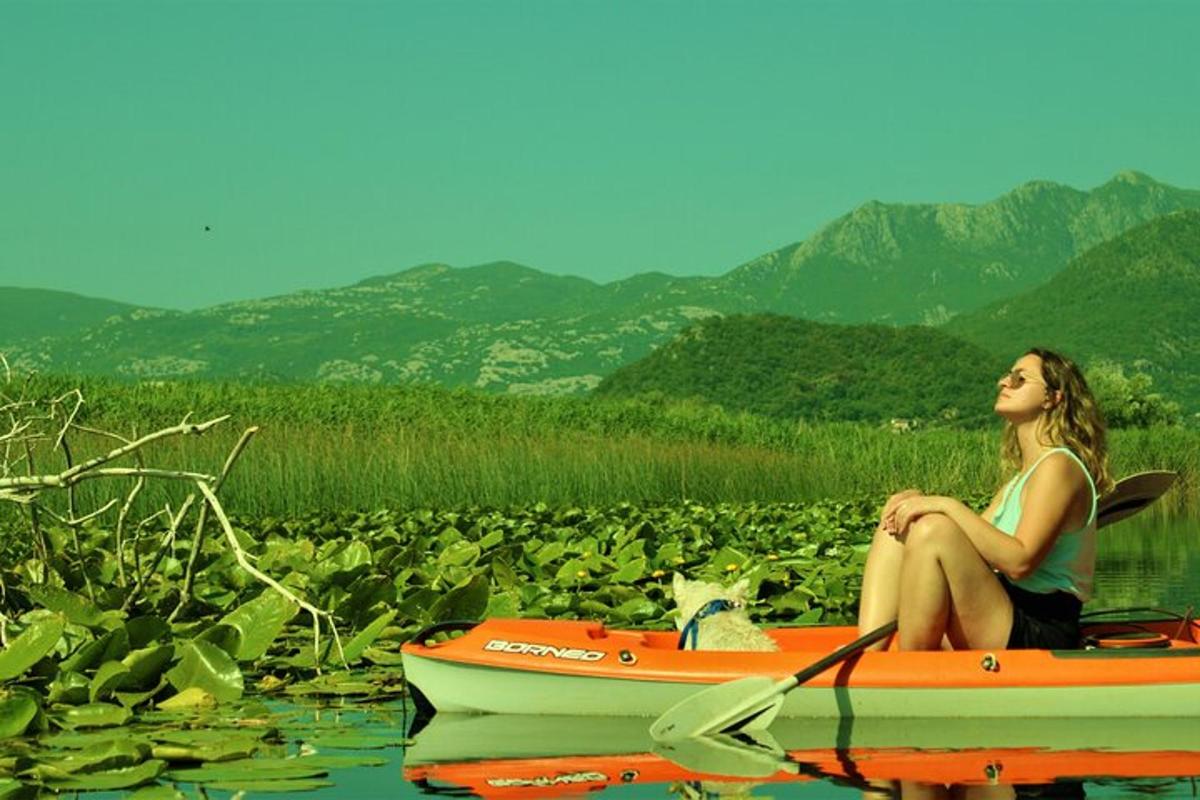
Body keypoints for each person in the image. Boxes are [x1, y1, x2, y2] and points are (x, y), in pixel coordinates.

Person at [856, 348, 1113, 651]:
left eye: (1019, 379)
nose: (1003, 382)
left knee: (932, 530)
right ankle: (867, 656)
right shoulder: (1020, 480)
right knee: (898, 526)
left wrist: (946, 504)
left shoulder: (1060, 467)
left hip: (1038, 629)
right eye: (1007, 376)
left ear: (1052, 398)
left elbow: (1020, 562)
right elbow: (969, 547)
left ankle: (910, 674)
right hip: (1002, 611)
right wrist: (916, 504)